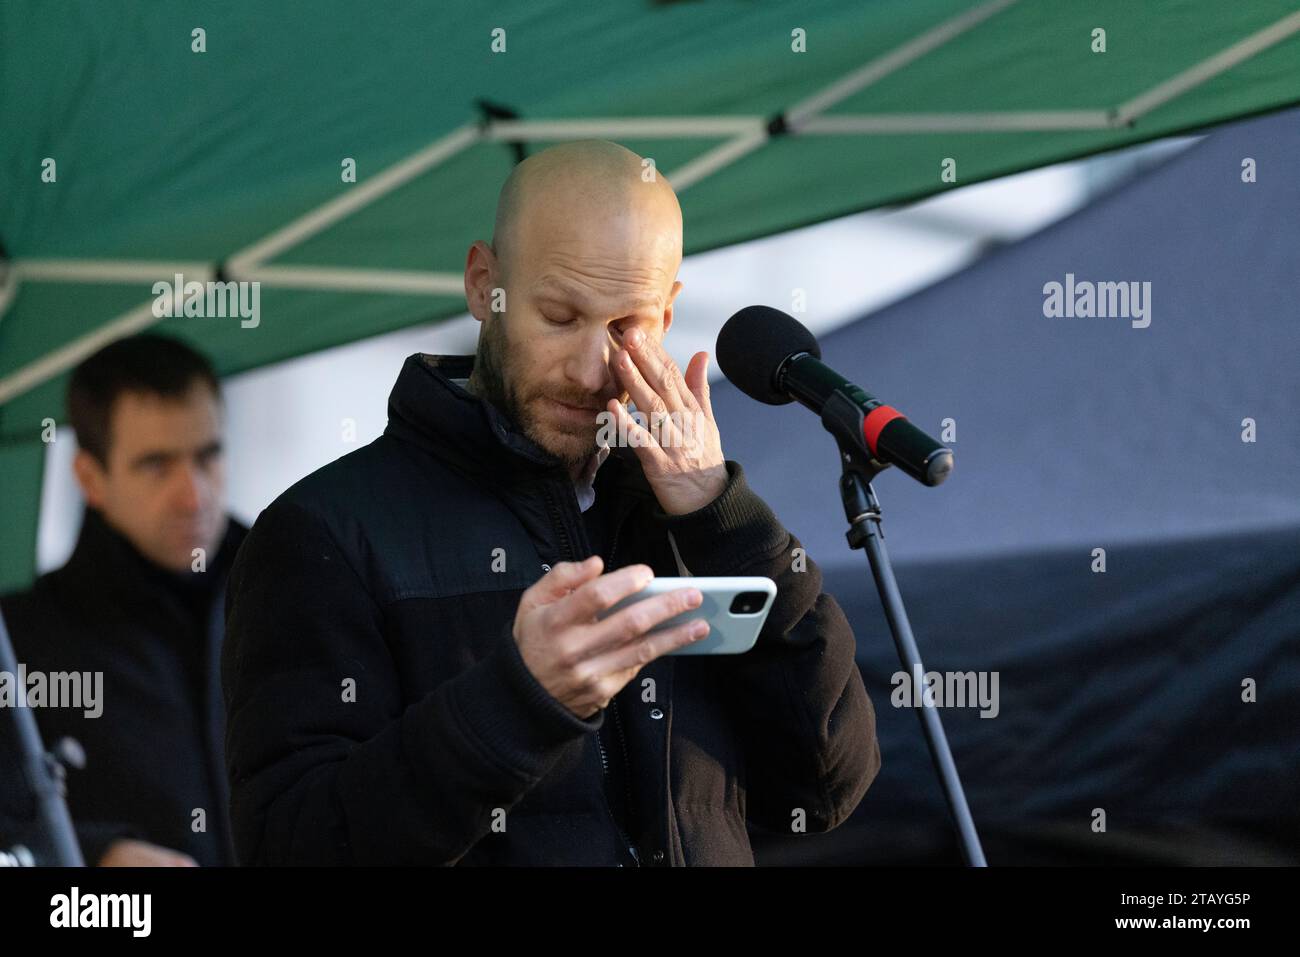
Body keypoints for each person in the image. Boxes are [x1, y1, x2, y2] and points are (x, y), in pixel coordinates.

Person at [222, 139, 880, 866]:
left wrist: (722, 516)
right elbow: (292, 846)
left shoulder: (686, 515)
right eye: (561, 316)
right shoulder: (324, 533)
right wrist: (517, 701)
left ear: (668, 313)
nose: (592, 366)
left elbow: (826, 785)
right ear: (483, 285)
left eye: (629, 326)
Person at [1, 334, 245, 866]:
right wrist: (97, 854)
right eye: (156, 464)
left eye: (209, 455)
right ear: (91, 479)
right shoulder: (18, 645)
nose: (194, 494)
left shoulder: (304, 600)